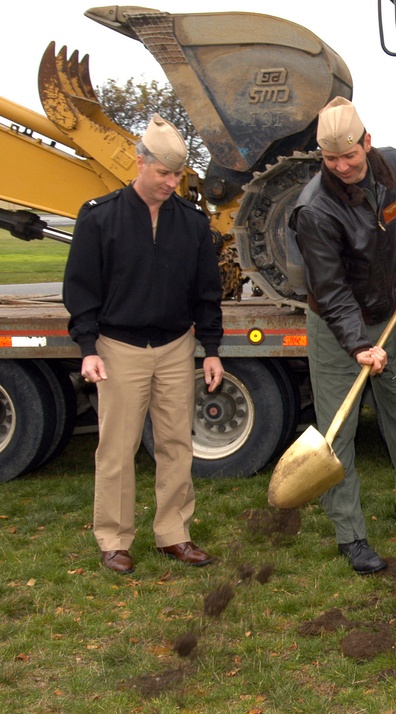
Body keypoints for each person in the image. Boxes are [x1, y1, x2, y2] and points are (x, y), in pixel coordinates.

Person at [289, 97, 396, 575]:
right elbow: (331, 289)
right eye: (331, 159)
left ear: (367, 142)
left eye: (350, 157)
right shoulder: (314, 210)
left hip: (388, 315)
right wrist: (359, 345)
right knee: (337, 436)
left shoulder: (395, 168)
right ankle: (351, 535)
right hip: (338, 328)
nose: (342, 167)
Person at [63, 114, 224, 575]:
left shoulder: (192, 224)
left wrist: (211, 348)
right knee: (116, 447)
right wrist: (88, 346)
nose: (172, 183)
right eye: (163, 174)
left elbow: (206, 292)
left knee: (176, 444)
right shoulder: (99, 216)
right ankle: (113, 538)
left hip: (176, 346)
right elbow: (80, 288)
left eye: (178, 175)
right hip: (117, 348)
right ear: (140, 163)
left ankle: (174, 533)